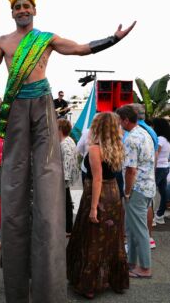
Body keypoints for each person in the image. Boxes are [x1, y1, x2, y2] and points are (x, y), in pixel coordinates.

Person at [0, 0, 135, 303]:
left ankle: (48, 275)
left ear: (34, 10)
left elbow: (81, 49)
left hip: (41, 102)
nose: (23, 10)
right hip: (17, 106)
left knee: (46, 174)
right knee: (13, 177)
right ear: (12, 12)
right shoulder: (3, 41)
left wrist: (113, 38)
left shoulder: (46, 38)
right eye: (18, 6)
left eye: (27, 6)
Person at [67, 112, 129, 298]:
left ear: (98, 127)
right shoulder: (118, 146)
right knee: (113, 238)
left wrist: (93, 208)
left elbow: (97, 180)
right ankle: (116, 280)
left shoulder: (95, 149)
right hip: (114, 194)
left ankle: (90, 284)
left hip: (99, 196)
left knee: (93, 239)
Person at [117, 105, 155, 279]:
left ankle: (145, 268)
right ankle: (131, 263)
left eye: (119, 120)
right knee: (133, 228)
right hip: (147, 186)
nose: (118, 124)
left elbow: (130, 169)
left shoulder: (131, 139)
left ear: (125, 120)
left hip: (137, 189)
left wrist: (126, 191)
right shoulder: (144, 133)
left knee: (138, 230)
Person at [57, 118, 79, 236]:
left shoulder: (64, 144)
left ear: (60, 129)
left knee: (65, 203)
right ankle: (68, 227)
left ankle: (67, 228)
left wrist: (63, 179)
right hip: (68, 177)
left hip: (64, 179)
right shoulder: (69, 140)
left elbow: (67, 161)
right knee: (67, 202)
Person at [152, 118, 170, 224]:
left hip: (158, 167)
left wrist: (152, 168)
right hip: (165, 167)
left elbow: (156, 154)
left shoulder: (160, 139)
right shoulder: (167, 139)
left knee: (151, 192)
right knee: (163, 193)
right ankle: (160, 216)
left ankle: (152, 219)